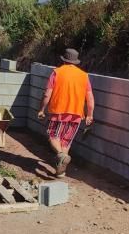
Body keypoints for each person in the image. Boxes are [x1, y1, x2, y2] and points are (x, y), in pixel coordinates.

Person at [37, 48, 94, 177]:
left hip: (59, 112)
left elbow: (47, 94)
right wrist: (89, 114)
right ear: (76, 61)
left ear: (63, 59)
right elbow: (90, 98)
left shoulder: (57, 73)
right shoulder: (84, 76)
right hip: (77, 115)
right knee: (65, 141)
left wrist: (41, 109)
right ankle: (61, 171)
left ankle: (61, 156)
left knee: (52, 136)